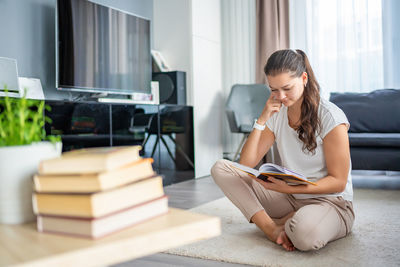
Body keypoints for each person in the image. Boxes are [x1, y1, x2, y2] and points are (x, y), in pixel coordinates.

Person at [211, 49, 355, 252]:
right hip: (290, 199)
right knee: (221, 168)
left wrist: (289, 189)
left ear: (304, 78)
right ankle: (271, 228)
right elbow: (244, 165)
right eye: (273, 90)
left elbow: (338, 183)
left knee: (305, 235)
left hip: (331, 202)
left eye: (287, 88)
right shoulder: (277, 115)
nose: (281, 96)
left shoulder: (330, 116)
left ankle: (293, 222)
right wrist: (261, 119)